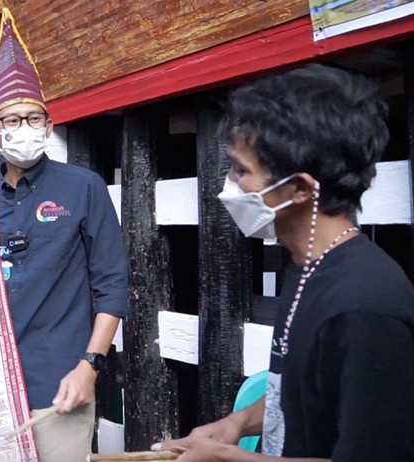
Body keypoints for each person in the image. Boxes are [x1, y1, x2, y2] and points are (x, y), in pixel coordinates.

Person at [153, 65, 414, 461]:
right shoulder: (308, 266)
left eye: (242, 170)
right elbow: (297, 395)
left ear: (300, 189)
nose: (230, 184)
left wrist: (225, 458)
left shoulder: (365, 306)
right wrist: (235, 425)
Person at [0, 9, 128, 461]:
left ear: (48, 125)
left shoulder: (83, 187)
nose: (25, 129)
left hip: (61, 380)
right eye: (13, 120)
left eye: (33, 118)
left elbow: (112, 286)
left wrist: (90, 366)